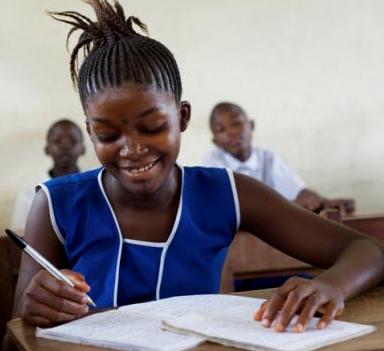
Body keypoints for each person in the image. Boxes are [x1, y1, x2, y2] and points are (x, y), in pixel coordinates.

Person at [12, 0, 384, 335]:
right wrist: (37, 307)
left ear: (183, 117)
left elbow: (369, 250)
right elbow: (18, 328)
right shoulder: (56, 205)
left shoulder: (226, 193)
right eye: (108, 134)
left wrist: (332, 285)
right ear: (90, 132)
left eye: (153, 127)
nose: (133, 149)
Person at [203, 102, 356, 214]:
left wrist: (323, 202)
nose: (230, 132)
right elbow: (230, 209)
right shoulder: (213, 163)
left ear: (251, 125)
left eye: (236, 123)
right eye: (220, 129)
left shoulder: (267, 157)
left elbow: (298, 192)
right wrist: (291, 206)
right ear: (215, 142)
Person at [9, 119, 85, 234]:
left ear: (83, 149)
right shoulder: (29, 193)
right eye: (57, 141)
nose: (65, 146)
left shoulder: (97, 188)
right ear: (47, 149)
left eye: (72, 140)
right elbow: (18, 236)